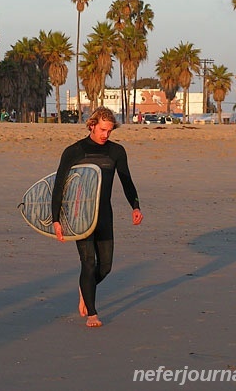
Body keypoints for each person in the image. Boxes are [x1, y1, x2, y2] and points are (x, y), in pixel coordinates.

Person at [52, 106, 143, 328]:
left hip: (104, 214)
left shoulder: (116, 152)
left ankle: (86, 287)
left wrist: (135, 206)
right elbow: (59, 186)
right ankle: (92, 313)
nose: (106, 135)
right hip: (79, 215)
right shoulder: (74, 151)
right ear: (92, 125)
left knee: (106, 266)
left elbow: (126, 180)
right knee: (88, 263)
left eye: (109, 131)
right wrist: (56, 220)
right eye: (102, 130)